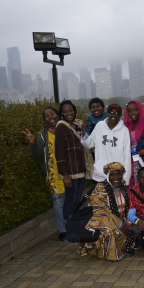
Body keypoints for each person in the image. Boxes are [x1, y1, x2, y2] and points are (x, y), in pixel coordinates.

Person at [22, 107, 66, 241]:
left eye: (52, 114)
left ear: (58, 115)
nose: (50, 117)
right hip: (53, 175)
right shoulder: (43, 134)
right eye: (47, 116)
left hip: (70, 172)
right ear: (45, 120)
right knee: (58, 204)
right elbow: (38, 154)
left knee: (73, 200)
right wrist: (34, 143)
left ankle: (76, 225)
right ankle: (63, 231)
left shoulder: (66, 129)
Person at [77, 162, 135, 260]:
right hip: (102, 221)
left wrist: (125, 221)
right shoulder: (101, 188)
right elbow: (100, 211)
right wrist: (119, 223)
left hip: (120, 219)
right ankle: (105, 253)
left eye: (118, 174)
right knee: (110, 231)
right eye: (112, 174)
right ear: (108, 175)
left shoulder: (123, 186)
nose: (116, 177)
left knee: (132, 229)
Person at [55, 100, 93, 221]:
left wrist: (82, 129)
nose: (68, 113)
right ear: (61, 113)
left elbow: (84, 143)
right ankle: (68, 227)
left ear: (74, 111)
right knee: (70, 200)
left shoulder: (77, 125)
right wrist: (65, 176)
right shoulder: (61, 126)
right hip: (70, 172)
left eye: (71, 110)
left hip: (80, 169)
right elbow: (59, 153)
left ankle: (78, 225)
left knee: (78, 199)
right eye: (65, 111)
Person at [81, 104, 131, 185]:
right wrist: (83, 129)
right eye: (111, 112)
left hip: (117, 176)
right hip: (100, 174)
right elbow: (89, 144)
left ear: (120, 115)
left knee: (116, 198)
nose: (113, 115)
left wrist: (125, 178)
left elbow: (127, 156)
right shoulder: (100, 126)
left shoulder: (124, 130)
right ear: (107, 113)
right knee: (99, 197)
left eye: (116, 113)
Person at [123, 100, 144, 189]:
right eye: (130, 110)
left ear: (140, 109)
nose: (132, 113)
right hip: (131, 160)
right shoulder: (125, 126)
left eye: (135, 110)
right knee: (133, 183)